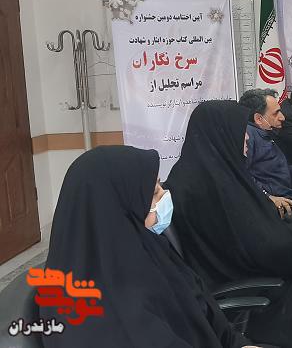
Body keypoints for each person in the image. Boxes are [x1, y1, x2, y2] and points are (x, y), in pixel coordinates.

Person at [165, 100, 292, 348]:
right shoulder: (202, 186)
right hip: (246, 287)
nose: (248, 138)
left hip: (253, 269)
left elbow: (255, 231)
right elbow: (259, 246)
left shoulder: (215, 170)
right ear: (222, 135)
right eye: (242, 133)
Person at [42, 146, 259, 347]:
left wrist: (239, 344)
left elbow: (203, 312)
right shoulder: (95, 317)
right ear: (117, 210)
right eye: (154, 192)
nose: (164, 195)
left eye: (159, 185)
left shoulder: (149, 251)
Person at [239, 88, 292, 213]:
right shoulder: (249, 137)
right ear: (259, 119)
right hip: (278, 205)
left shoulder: (266, 134)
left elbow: (277, 168)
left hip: (289, 196)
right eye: (276, 113)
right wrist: (268, 198)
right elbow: (243, 177)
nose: (282, 117)